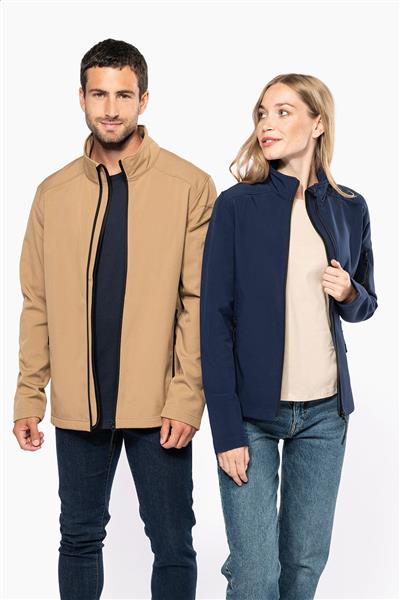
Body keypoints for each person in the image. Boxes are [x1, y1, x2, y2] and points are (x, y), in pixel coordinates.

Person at [12, 38, 217, 600]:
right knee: (78, 539)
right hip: (79, 405)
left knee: (172, 544)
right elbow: (37, 301)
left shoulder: (189, 186)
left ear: (143, 100)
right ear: (80, 97)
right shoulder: (52, 193)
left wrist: (186, 398)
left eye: (123, 95)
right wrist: (29, 394)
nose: (110, 108)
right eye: (99, 94)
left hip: (158, 407)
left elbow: (199, 302)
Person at [200, 73, 378, 599]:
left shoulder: (349, 206)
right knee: (256, 574)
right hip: (251, 417)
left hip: (325, 413)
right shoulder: (237, 205)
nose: (267, 124)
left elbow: (365, 303)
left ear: (317, 123)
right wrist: (226, 430)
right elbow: (214, 321)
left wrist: (349, 293)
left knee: (302, 568)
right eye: (262, 113)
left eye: (283, 112)